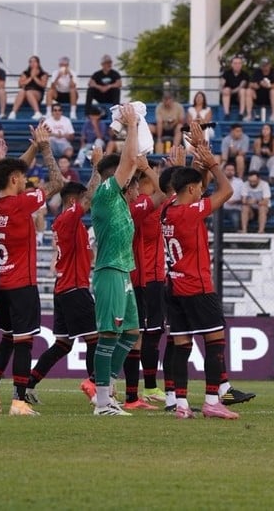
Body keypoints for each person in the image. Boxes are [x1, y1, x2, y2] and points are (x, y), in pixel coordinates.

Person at [0, 123, 63, 416]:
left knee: (6, 336)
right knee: (24, 341)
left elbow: (2, 178)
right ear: (15, 179)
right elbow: (58, 182)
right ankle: (18, 400)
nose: (26, 182)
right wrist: (43, 147)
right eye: (23, 178)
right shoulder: (20, 203)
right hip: (20, 281)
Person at [160, 141, 243, 419]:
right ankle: (211, 400)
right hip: (198, 287)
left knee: (182, 347)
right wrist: (212, 163)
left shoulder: (167, 209)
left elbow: (195, 186)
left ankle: (181, 405)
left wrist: (196, 158)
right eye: (198, 188)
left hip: (173, 287)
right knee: (215, 342)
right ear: (192, 191)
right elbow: (227, 190)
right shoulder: (189, 212)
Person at [25, 174, 102, 405]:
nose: (86, 206)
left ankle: (29, 384)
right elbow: (88, 197)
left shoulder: (73, 224)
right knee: (94, 339)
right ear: (72, 202)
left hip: (65, 287)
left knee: (63, 344)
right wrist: (97, 168)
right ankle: (96, 390)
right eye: (81, 202)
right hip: (74, 288)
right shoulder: (68, 218)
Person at [88, 103, 142, 416]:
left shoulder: (119, 201)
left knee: (131, 331)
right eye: (131, 180)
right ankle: (102, 402)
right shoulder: (108, 194)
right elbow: (130, 159)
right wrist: (131, 124)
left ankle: (107, 388)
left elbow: (135, 160)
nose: (135, 187)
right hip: (109, 270)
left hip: (124, 271)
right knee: (109, 333)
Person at [124, 156, 169, 410]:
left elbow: (176, 194)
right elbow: (164, 192)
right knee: (139, 336)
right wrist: (149, 169)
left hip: (154, 278)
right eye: (152, 175)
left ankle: (145, 389)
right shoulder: (142, 204)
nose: (157, 178)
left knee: (149, 334)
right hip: (143, 278)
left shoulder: (153, 204)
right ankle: (143, 388)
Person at [8, 55, 48, 120]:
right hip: (25, 94)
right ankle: (13, 112)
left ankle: (37, 112)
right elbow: (20, 84)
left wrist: (35, 77)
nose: (32, 63)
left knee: (29, 92)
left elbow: (43, 85)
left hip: (37, 94)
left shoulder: (43, 74)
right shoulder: (25, 73)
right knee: (22, 91)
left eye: (34, 62)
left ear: (38, 63)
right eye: (31, 62)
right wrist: (31, 77)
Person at [46, 56, 79, 120]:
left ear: (68, 65)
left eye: (65, 65)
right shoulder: (55, 72)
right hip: (58, 94)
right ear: (59, 65)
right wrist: (58, 77)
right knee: (50, 91)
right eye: (62, 65)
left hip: (70, 95)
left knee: (73, 90)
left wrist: (70, 76)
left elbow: (73, 86)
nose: (63, 66)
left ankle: (73, 113)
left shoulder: (73, 73)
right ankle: (49, 113)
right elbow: (52, 86)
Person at [248, 58, 274, 122]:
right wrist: (256, 85)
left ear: (270, 65)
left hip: (269, 98)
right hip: (258, 97)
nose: (264, 67)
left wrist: (269, 86)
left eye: (266, 65)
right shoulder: (257, 72)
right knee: (249, 91)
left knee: (273, 91)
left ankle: (273, 115)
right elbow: (250, 84)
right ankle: (249, 115)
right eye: (263, 65)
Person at [220, 55, 250, 120]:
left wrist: (231, 92)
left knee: (242, 90)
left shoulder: (245, 74)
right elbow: (221, 85)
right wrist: (223, 90)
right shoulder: (227, 73)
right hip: (227, 97)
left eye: (239, 63)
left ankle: (241, 114)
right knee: (226, 89)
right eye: (235, 63)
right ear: (232, 65)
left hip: (239, 97)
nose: (237, 65)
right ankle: (227, 114)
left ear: (241, 65)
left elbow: (241, 86)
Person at [222, 162, 244, 230]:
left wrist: (235, 201)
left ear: (234, 171)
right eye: (228, 170)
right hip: (221, 209)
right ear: (224, 171)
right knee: (213, 218)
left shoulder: (240, 182)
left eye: (232, 170)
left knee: (236, 220)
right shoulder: (219, 181)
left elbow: (243, 198)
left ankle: (237, 238)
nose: (230, 172)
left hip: (235, 209)